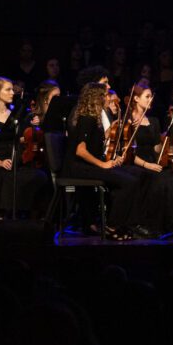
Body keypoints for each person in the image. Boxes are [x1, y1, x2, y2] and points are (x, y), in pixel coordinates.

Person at [67, 80, 144, 240]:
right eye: (105, 96)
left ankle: (124, 223)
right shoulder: (87, 118)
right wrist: (103, 164)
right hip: (80, 167)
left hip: (89, 165)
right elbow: (80, 151)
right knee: (127, 182)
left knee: (135, 175)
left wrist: (114, 130)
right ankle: (113, 225)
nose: (108, 99)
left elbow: (96, 143)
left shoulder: (94, 119)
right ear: (96, 98)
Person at [0, 76, 50, 219]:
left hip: (16, 160)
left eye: (12, 90)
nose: (12, 93)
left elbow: (22, 139)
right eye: (8, 90)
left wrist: (33, 127)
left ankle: (31, 215)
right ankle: (2, 215)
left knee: (39, 176)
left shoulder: (17, 115)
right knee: (7, 178)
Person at [121, 80, 173, 236]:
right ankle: (148, 224)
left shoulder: (154, 121)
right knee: (157, 180)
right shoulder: (128, 122)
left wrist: (167, 139)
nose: (151, 99)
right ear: (136, 99)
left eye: (151, 96)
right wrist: (147, 165)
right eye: (147, 96)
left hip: (152, 162)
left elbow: (156, 148)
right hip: (137, 163)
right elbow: (127, 152)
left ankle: (170, 226)